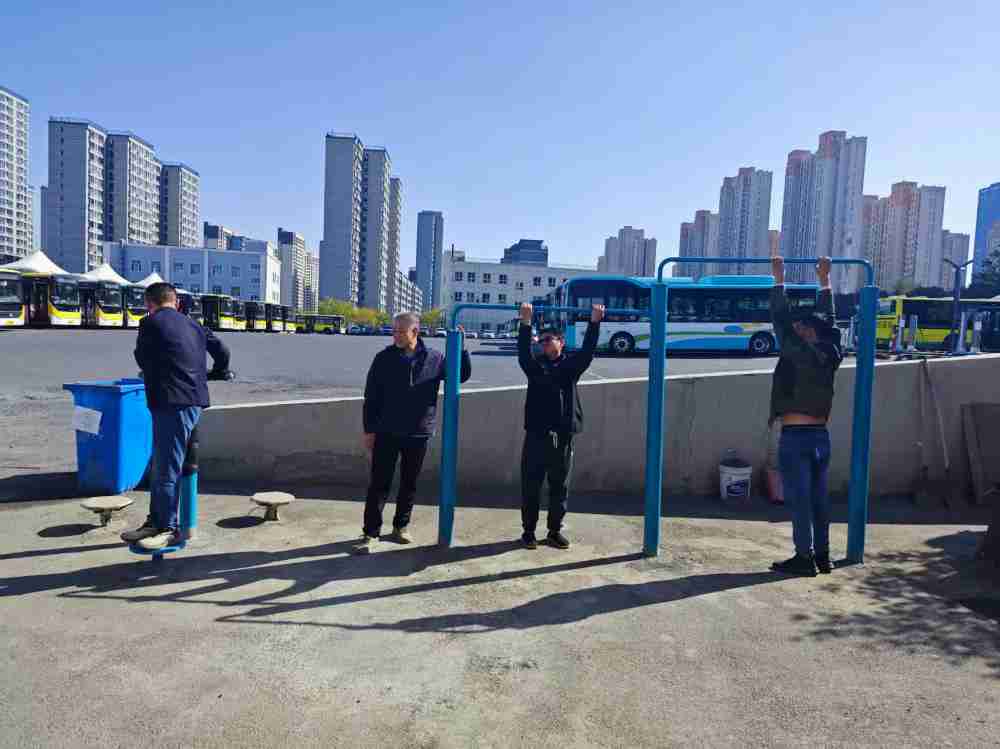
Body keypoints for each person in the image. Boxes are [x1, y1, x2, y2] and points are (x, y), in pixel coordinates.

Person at [122, 282, 231, 550]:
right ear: (177, 302)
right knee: (167, 463)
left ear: (149, 304)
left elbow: (142, 359)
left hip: (171, 402)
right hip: (194, 401)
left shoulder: (149, 323)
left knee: (165, 467)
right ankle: (154, 521)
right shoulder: (194, 324)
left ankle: (166, 527)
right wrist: (218, 372)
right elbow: (222, 351)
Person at [354, 312, 472, 554]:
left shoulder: (434, 358)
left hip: (418, 432)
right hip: (386, 431)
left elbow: (459, 376)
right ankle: (370, 532)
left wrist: (461, 349)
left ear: (415, 332)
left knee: (410, 483)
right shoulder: (383, 358)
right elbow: (371, 397)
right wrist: (369, 430)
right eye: (394, 331)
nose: (395, 335)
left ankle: (401, 527)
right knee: (379, 483)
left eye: (401, 331)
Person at [769, 256, 843, 576]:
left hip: (796, 438)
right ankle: (823, 556)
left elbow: (779, 318)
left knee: (800, 499)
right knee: (818, 499)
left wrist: (779, 278)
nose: (797, 327)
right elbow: (830, 319)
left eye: (802, 325)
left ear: (808, 331)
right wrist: (824, 280)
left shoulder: (797, 352)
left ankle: (804, 557)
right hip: (820, 437)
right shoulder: (831, 349)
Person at [517, 301, 605, 549]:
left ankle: (554, 531)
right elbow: (523, 352)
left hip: (562, 436)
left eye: (549, 340)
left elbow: (588, 351)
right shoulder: (535, 367)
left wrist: (594, 322)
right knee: (531, 485)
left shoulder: (570, 367)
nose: (544, 344)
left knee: (559, 486)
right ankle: (528, 532)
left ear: (561, 342)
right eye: (541, 340)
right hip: (536, 435)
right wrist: (526, 322)